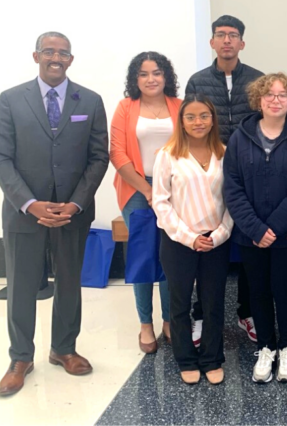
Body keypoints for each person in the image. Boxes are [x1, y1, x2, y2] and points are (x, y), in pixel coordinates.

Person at [0, 31, 109, 397]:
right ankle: (20, 357)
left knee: (70, 282)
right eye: (49, 51)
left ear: (71, 60)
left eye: (63, 53)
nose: (56, 57)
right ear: (36, 56)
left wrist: (75, 203)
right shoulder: (11, 100)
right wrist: (29, 203)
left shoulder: (90, 100)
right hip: (24, 211)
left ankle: (63, 348)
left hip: (73, 211)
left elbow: (98, 157)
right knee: (22, 285)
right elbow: (0, 158)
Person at [224, 73, 287, 383]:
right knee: (258, 293)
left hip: (286, 235)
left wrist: (273, 228)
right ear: (258, 100)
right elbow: (232, 187)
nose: (276, 100)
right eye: (270, 95)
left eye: (282, 95)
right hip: (251, 236)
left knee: (285, 292)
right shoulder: (240, 137)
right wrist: (254, 228)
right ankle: (266, 347)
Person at [185, 15, 263, 344]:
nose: (227, 40)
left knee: (247, 248)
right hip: (208, 174)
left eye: (233, 35)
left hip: (250, 175)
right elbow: (189, 124)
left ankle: (246, 312)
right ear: (212, 42)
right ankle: (201, 315)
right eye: (221, 35)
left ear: (242, 43)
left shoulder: (258, 79)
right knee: (208, 248)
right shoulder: (198, 81)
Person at [153, 94, 233, 385]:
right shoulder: (167, 155)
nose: (198, 122)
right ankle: (185, 359)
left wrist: (219, 235)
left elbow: (231, 201)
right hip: (178, 242)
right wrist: (189, 238)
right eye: (191, 117)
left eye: (204, 116)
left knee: (213, 304)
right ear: (181, 122)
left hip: (216, 241)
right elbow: (160, 202)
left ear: (213, 120)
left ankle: (212, 359)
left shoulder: (224, 153)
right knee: (179, 303)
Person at [110, 52, 181, 354]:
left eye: (157, 73)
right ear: (135, 79)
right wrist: (148, 191)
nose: (151, 79)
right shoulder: (126, 108)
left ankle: (170, 320)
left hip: (176, 188)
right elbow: (117, 153)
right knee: (142, 257)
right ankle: (145, 324)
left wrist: (164, 190)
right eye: (143, 74)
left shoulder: (179, 106)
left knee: (171, 256)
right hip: (136, 189)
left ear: (166, 77)